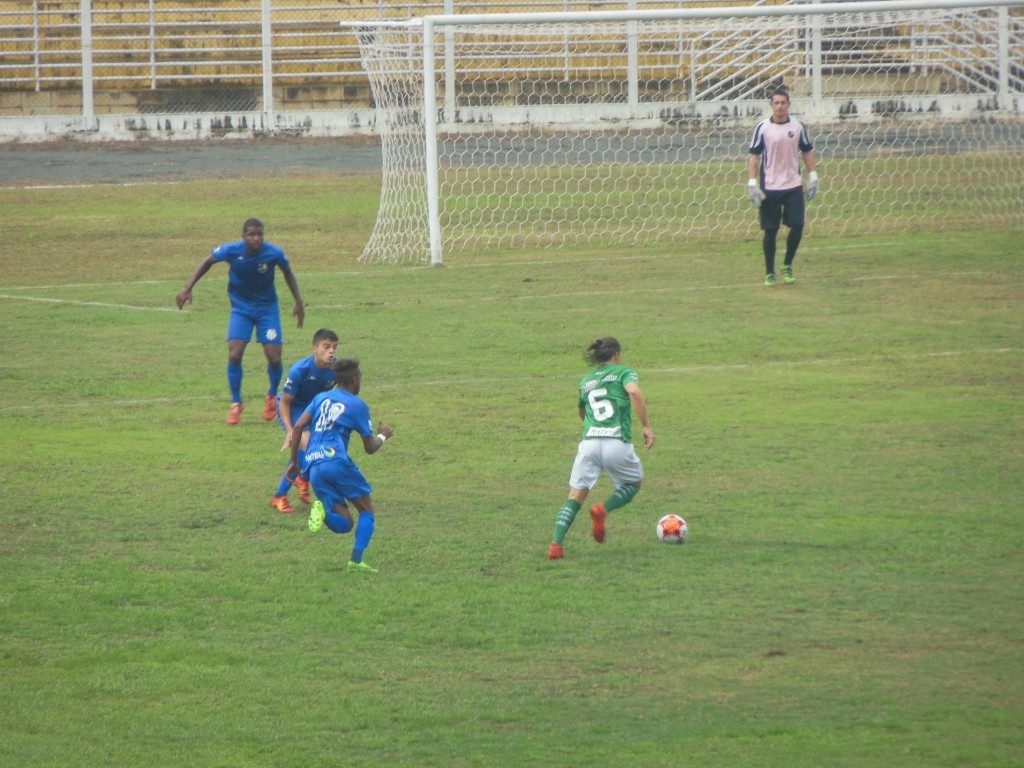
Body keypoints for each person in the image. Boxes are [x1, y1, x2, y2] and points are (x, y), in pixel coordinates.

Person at [176, 218, 305, 425]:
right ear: (243, 235)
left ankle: (272, 396)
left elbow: (288, 272)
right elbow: (207, 261)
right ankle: (236, 404)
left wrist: (299, 302)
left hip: (267, 309)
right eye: (251, 234)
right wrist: (188, 287)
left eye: (259, 234)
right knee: (235, 354)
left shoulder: (274, 253)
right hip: (241, 309)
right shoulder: (231, 250)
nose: (256, 238)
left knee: (274, 357)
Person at [548, 337, 655, 560]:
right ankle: (602, 509)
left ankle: (556, 545)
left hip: (589, 443)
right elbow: (634, 392)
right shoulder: (624, 372)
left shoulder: (586, 381)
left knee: (576, 494)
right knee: (633, 484)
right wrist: (646, 426)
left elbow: (582, 412)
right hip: (616, 441)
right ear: (616, 355)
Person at [287, 358, 393, 574]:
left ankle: (323, 513)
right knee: (366, 511)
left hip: (314, 465)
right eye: (360, 379)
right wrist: (383, 435)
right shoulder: (357, 405)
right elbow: (370, 448)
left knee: (344, 524)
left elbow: (297, 427)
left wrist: (294, 461)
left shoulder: (320, 398)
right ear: (354, 380)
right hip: (335, 461)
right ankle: (355, 562)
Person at [746, 86, 819, 286]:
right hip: (769, 186)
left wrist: (813, 176)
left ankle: (787, 264)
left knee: (797, 225)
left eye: (783, 103)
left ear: (789, 105)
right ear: (771, 105)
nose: (779, 106)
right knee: (771, 230)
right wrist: (752, 182)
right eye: (776, 103)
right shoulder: (762, 128)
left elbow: (807, 150)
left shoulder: (797, 127)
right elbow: (754, 156)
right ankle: (769, 271)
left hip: (793, 185)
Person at [269, 328, 340, 514]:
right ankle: (279, 496)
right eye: (326, 347)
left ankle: (302, 478)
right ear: (314, 349)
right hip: (293, 409)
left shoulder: (336, 369)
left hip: (313, 410)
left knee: (317, 449)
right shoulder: (300, 370)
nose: (331, 351)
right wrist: (290, 430)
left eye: (334, 347)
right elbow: (284, 402)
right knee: (307, 445)